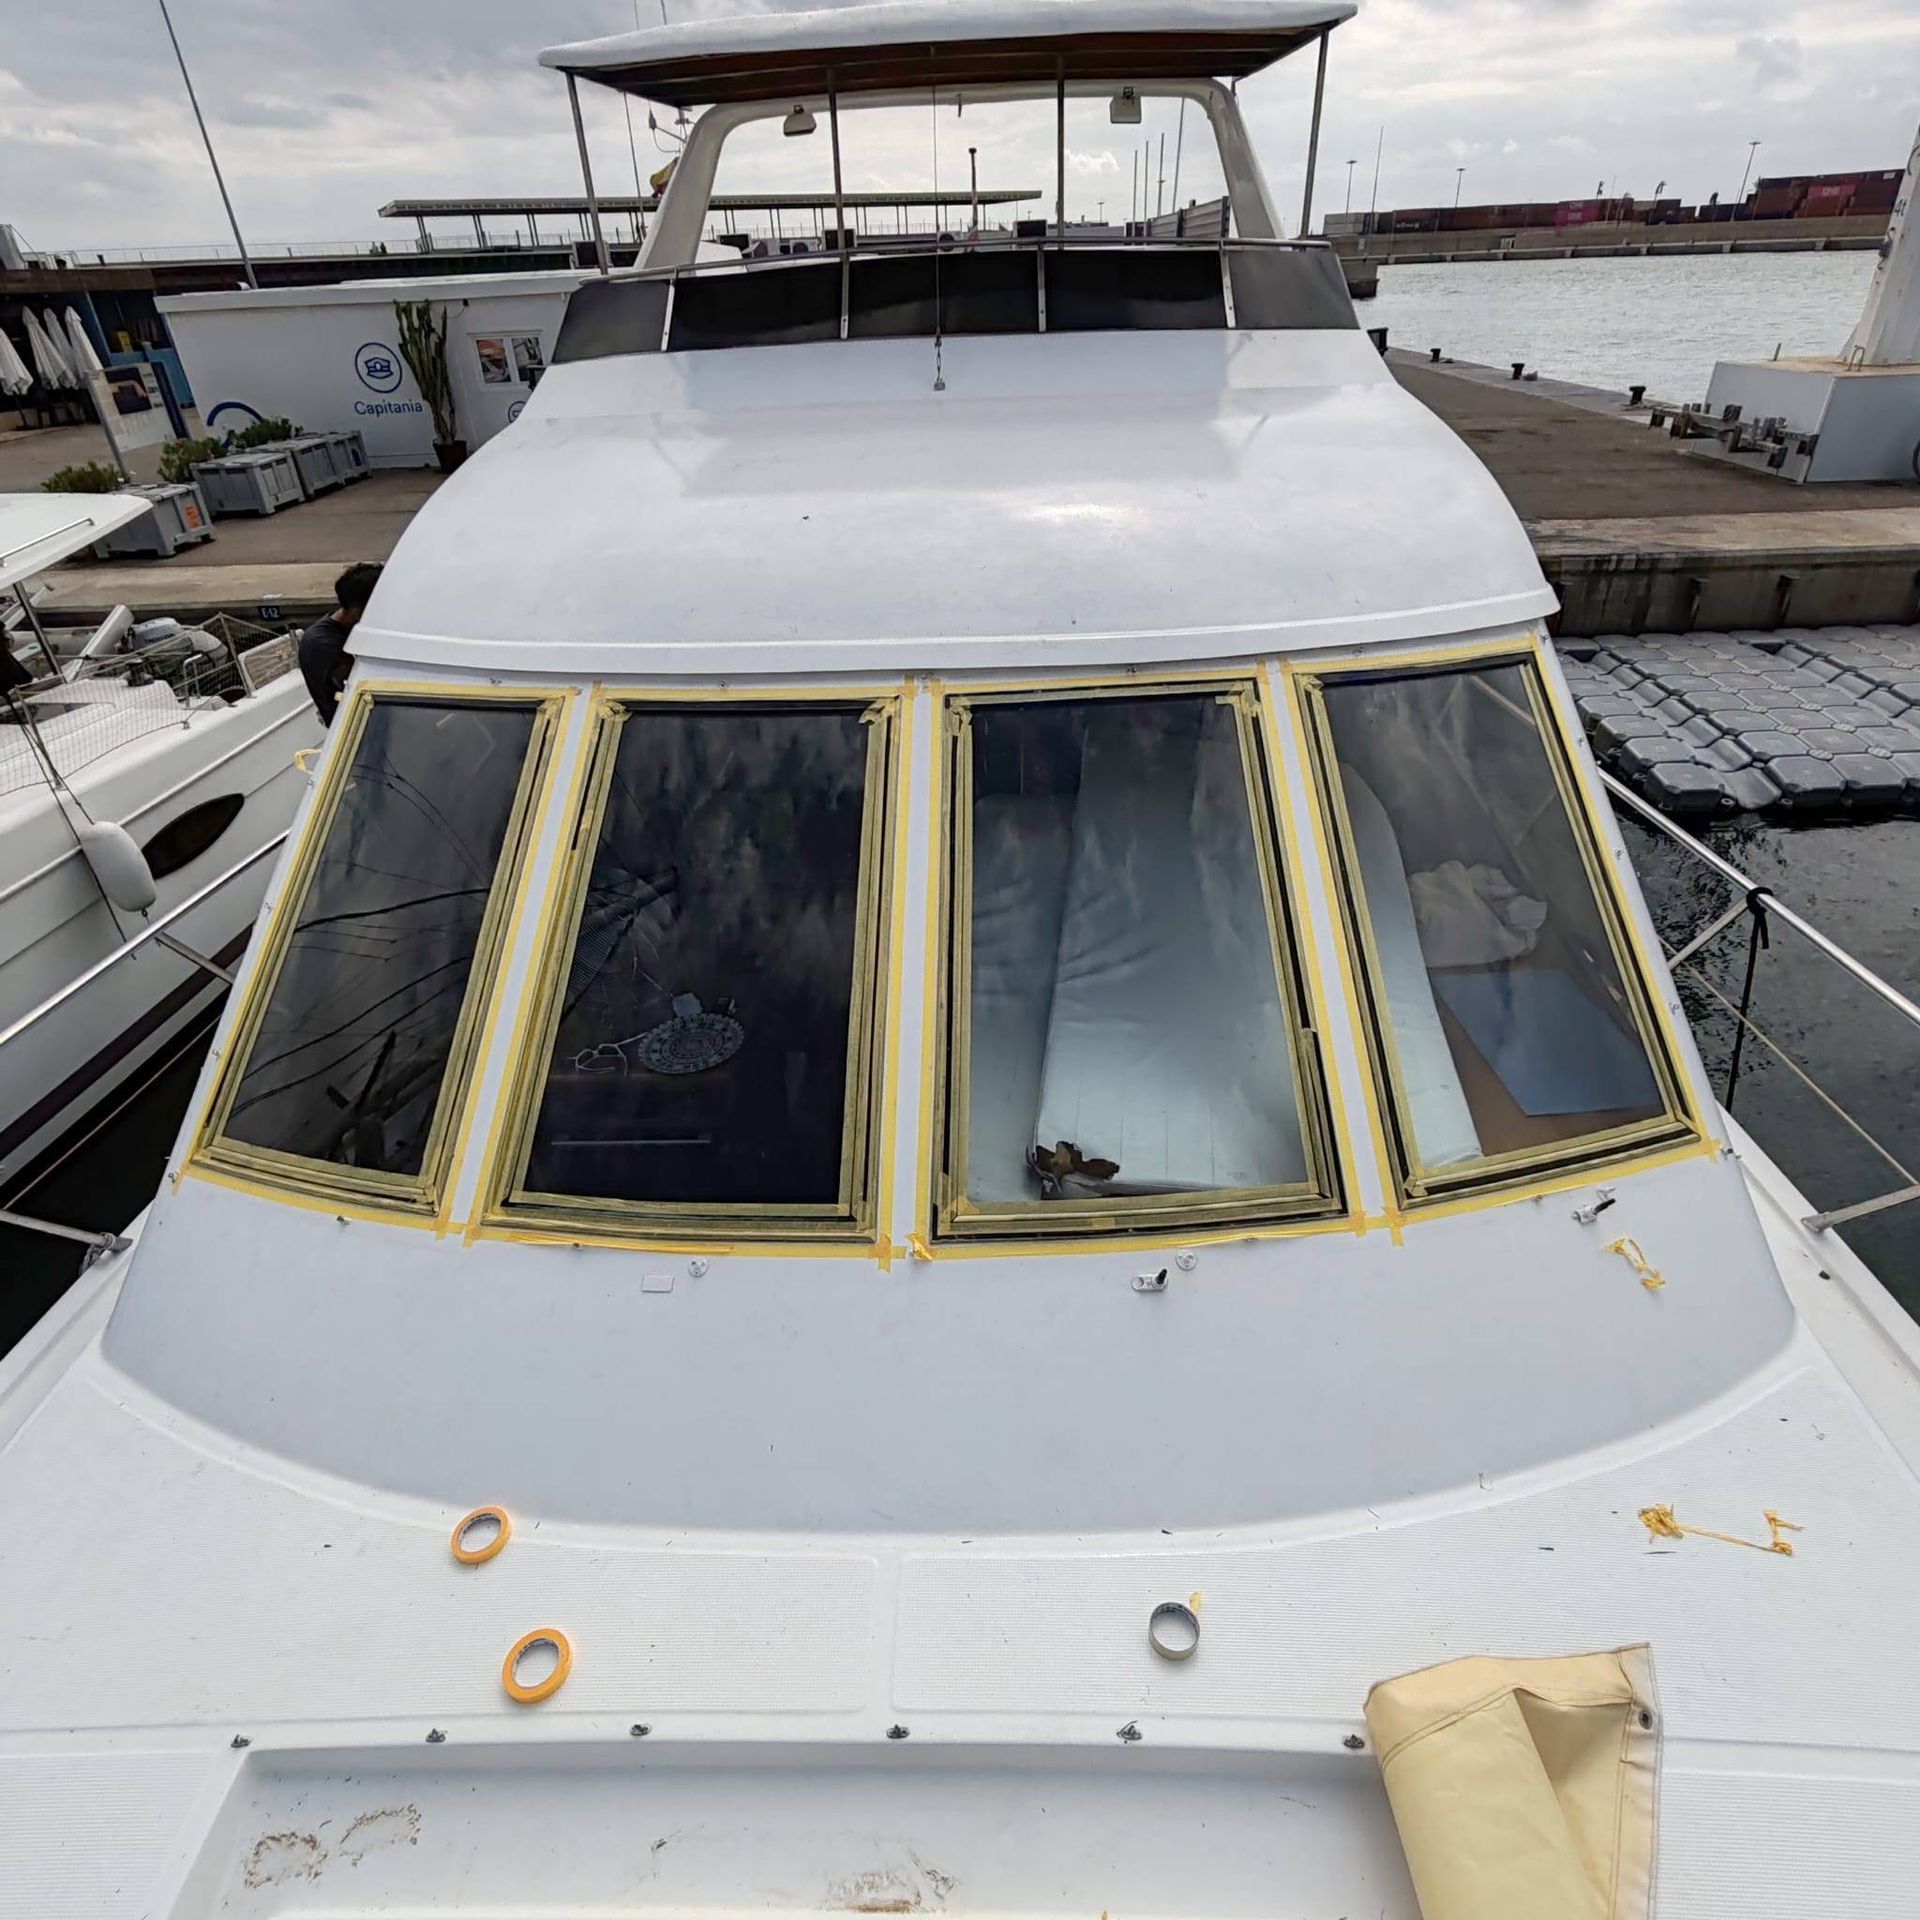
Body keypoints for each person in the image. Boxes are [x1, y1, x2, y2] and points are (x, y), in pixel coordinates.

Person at [298, 562, 382, 726]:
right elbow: (362, 682)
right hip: (356, 728)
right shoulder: (322, 643)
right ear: (358, 611)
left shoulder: (346, 630)